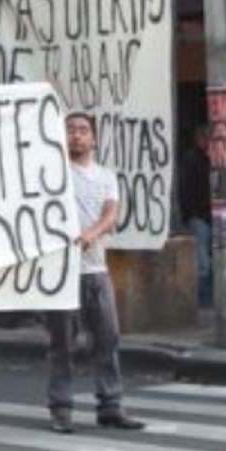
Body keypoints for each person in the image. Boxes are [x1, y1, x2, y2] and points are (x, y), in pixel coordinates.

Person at [44, 113, 145, 434]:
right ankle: (61, 409)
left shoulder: (106, 176)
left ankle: (110, 406)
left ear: (94, 139)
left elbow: (111, 213)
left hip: (96, 269)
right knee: (63, 343)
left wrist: (92, 233)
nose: (76, 136)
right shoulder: (53, 174)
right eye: (70, 130)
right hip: (60, 272)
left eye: (83, 130)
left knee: (107, 338)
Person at [178, 125, 213, 307]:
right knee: (202, 261)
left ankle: (207, 296)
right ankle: (202, 298)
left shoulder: (213, 159)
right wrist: (190, 214)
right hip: (199, 215)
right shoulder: (192, 159)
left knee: (208, 258)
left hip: (211, 215)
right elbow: (186, 188)